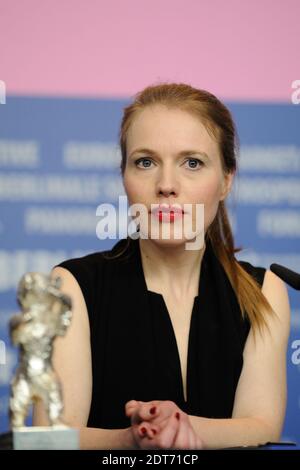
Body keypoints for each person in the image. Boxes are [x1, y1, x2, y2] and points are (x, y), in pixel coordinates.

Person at [33, 83, 290, 449]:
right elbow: (47, 438)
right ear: (124, 176)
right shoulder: (71, 286)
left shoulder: (264, 291)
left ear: (226, 180)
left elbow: (262, 426)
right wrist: (132, 438)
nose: (167, 185)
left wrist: (177, 426)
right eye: (146, 162)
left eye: (192, 163)